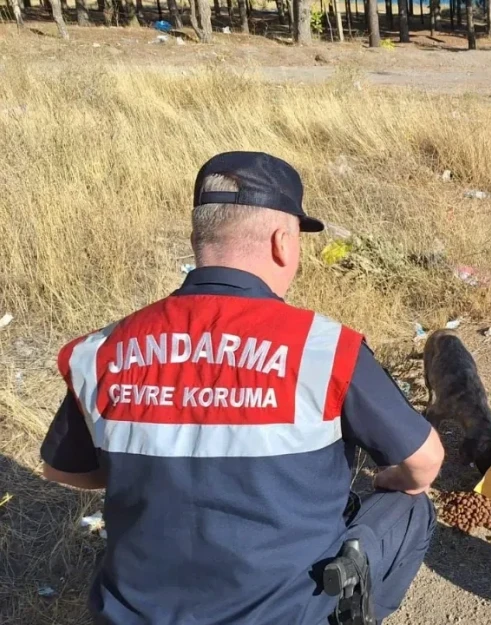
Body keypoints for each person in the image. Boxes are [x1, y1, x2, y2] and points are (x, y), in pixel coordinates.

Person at [39, 151, 445, 625]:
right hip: (284, 614)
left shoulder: (101, 350)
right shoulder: (323, 349)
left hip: (133, 615)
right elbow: (425, 462)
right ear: (282, 243)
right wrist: (388, 481)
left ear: (199, 239)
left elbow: (62, 470)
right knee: (411, 508)